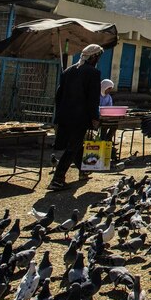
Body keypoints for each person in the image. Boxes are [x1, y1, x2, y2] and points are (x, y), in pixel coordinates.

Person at [49, 44, 103, 191]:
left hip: (64, 116)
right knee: (72, 147)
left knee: (75, 144)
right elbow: (93, 98)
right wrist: (95, 117)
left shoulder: (68, 71)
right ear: (93, 57)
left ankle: (83, 170)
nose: (98, 59)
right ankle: (57, 179)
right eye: (98, 57)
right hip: (80, 117)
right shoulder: (93, 73)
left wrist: (59, 114)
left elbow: (58, 96)